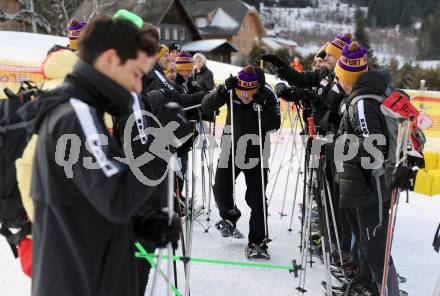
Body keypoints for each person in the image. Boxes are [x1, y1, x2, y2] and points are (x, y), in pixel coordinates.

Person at [18, 16, 181, 296]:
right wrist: (162, 144)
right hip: (80, 281)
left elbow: (89, 196)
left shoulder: (84, 110)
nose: (139, 88)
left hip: (88, 274)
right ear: (110, 60)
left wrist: (140, 225)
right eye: (136, 74)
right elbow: (116, 200)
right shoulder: (76, 113)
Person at [336, 42, 400, 295]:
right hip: (366, 184)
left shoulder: (362, 102)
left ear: (346, 77)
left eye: (340, 76)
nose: (337, 80)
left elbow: (373, 149)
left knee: (376, 251)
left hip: (373, 185)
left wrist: (333, 148)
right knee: (367, 244)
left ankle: (385, 291)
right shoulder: (362, 97)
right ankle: (367, 286)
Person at [201, 65, 280, 259]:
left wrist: (263, 106)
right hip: (230, 146)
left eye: (249, 93)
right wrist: (220, 91)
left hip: (254, 150)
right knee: (220, 187)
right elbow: (207, 106)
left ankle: (257, 241)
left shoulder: (266, 93)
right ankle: (229, 217)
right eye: (241, 92)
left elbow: (275, 124)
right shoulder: (231, 89)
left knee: (256, 198)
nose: (244, 96)